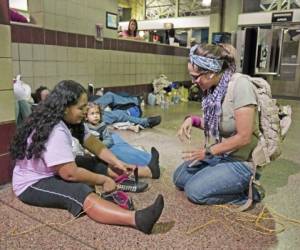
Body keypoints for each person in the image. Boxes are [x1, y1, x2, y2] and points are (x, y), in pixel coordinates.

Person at [10, 80, 164, 234]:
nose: (86, 111)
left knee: (93, 162)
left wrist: (117, 162)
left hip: (52, 170)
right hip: (32, 184)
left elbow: (93, 144)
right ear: (65, 107)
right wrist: (103, 180)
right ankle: (137, 219)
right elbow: (69, 174)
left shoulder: (70, 120)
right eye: (81, 107)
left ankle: (149, 171)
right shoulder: (55, 130)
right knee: (79, 191)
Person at [173, 43, 261, 206]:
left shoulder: (241, 85)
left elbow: (244, 137)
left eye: (196, 76)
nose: (193, 81)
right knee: (179, 178)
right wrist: (192, 120)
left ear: (212, 72)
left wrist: (208, 152)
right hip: (221, 154)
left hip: (241, 161)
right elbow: (217, 124)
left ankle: (246, 192)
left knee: (195, 192)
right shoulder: (214, 88)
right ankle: (216, 178)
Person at [85, 102, 160, 179]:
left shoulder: (101, 125)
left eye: (97, 113)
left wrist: (100, 144)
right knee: (115, 151)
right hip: (92, 151)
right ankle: (147, 167)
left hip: (100, 144)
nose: (95, 116)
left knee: (116, 142)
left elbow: (108, 139)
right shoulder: (84, 127)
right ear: (86, 117)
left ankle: (149, 161)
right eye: (92, 114)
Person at [92, 91, 162, 128]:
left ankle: (135, 100)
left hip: (90, 110)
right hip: (89, 118)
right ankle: (145, 122)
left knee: (110, 95)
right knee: (119, 114)